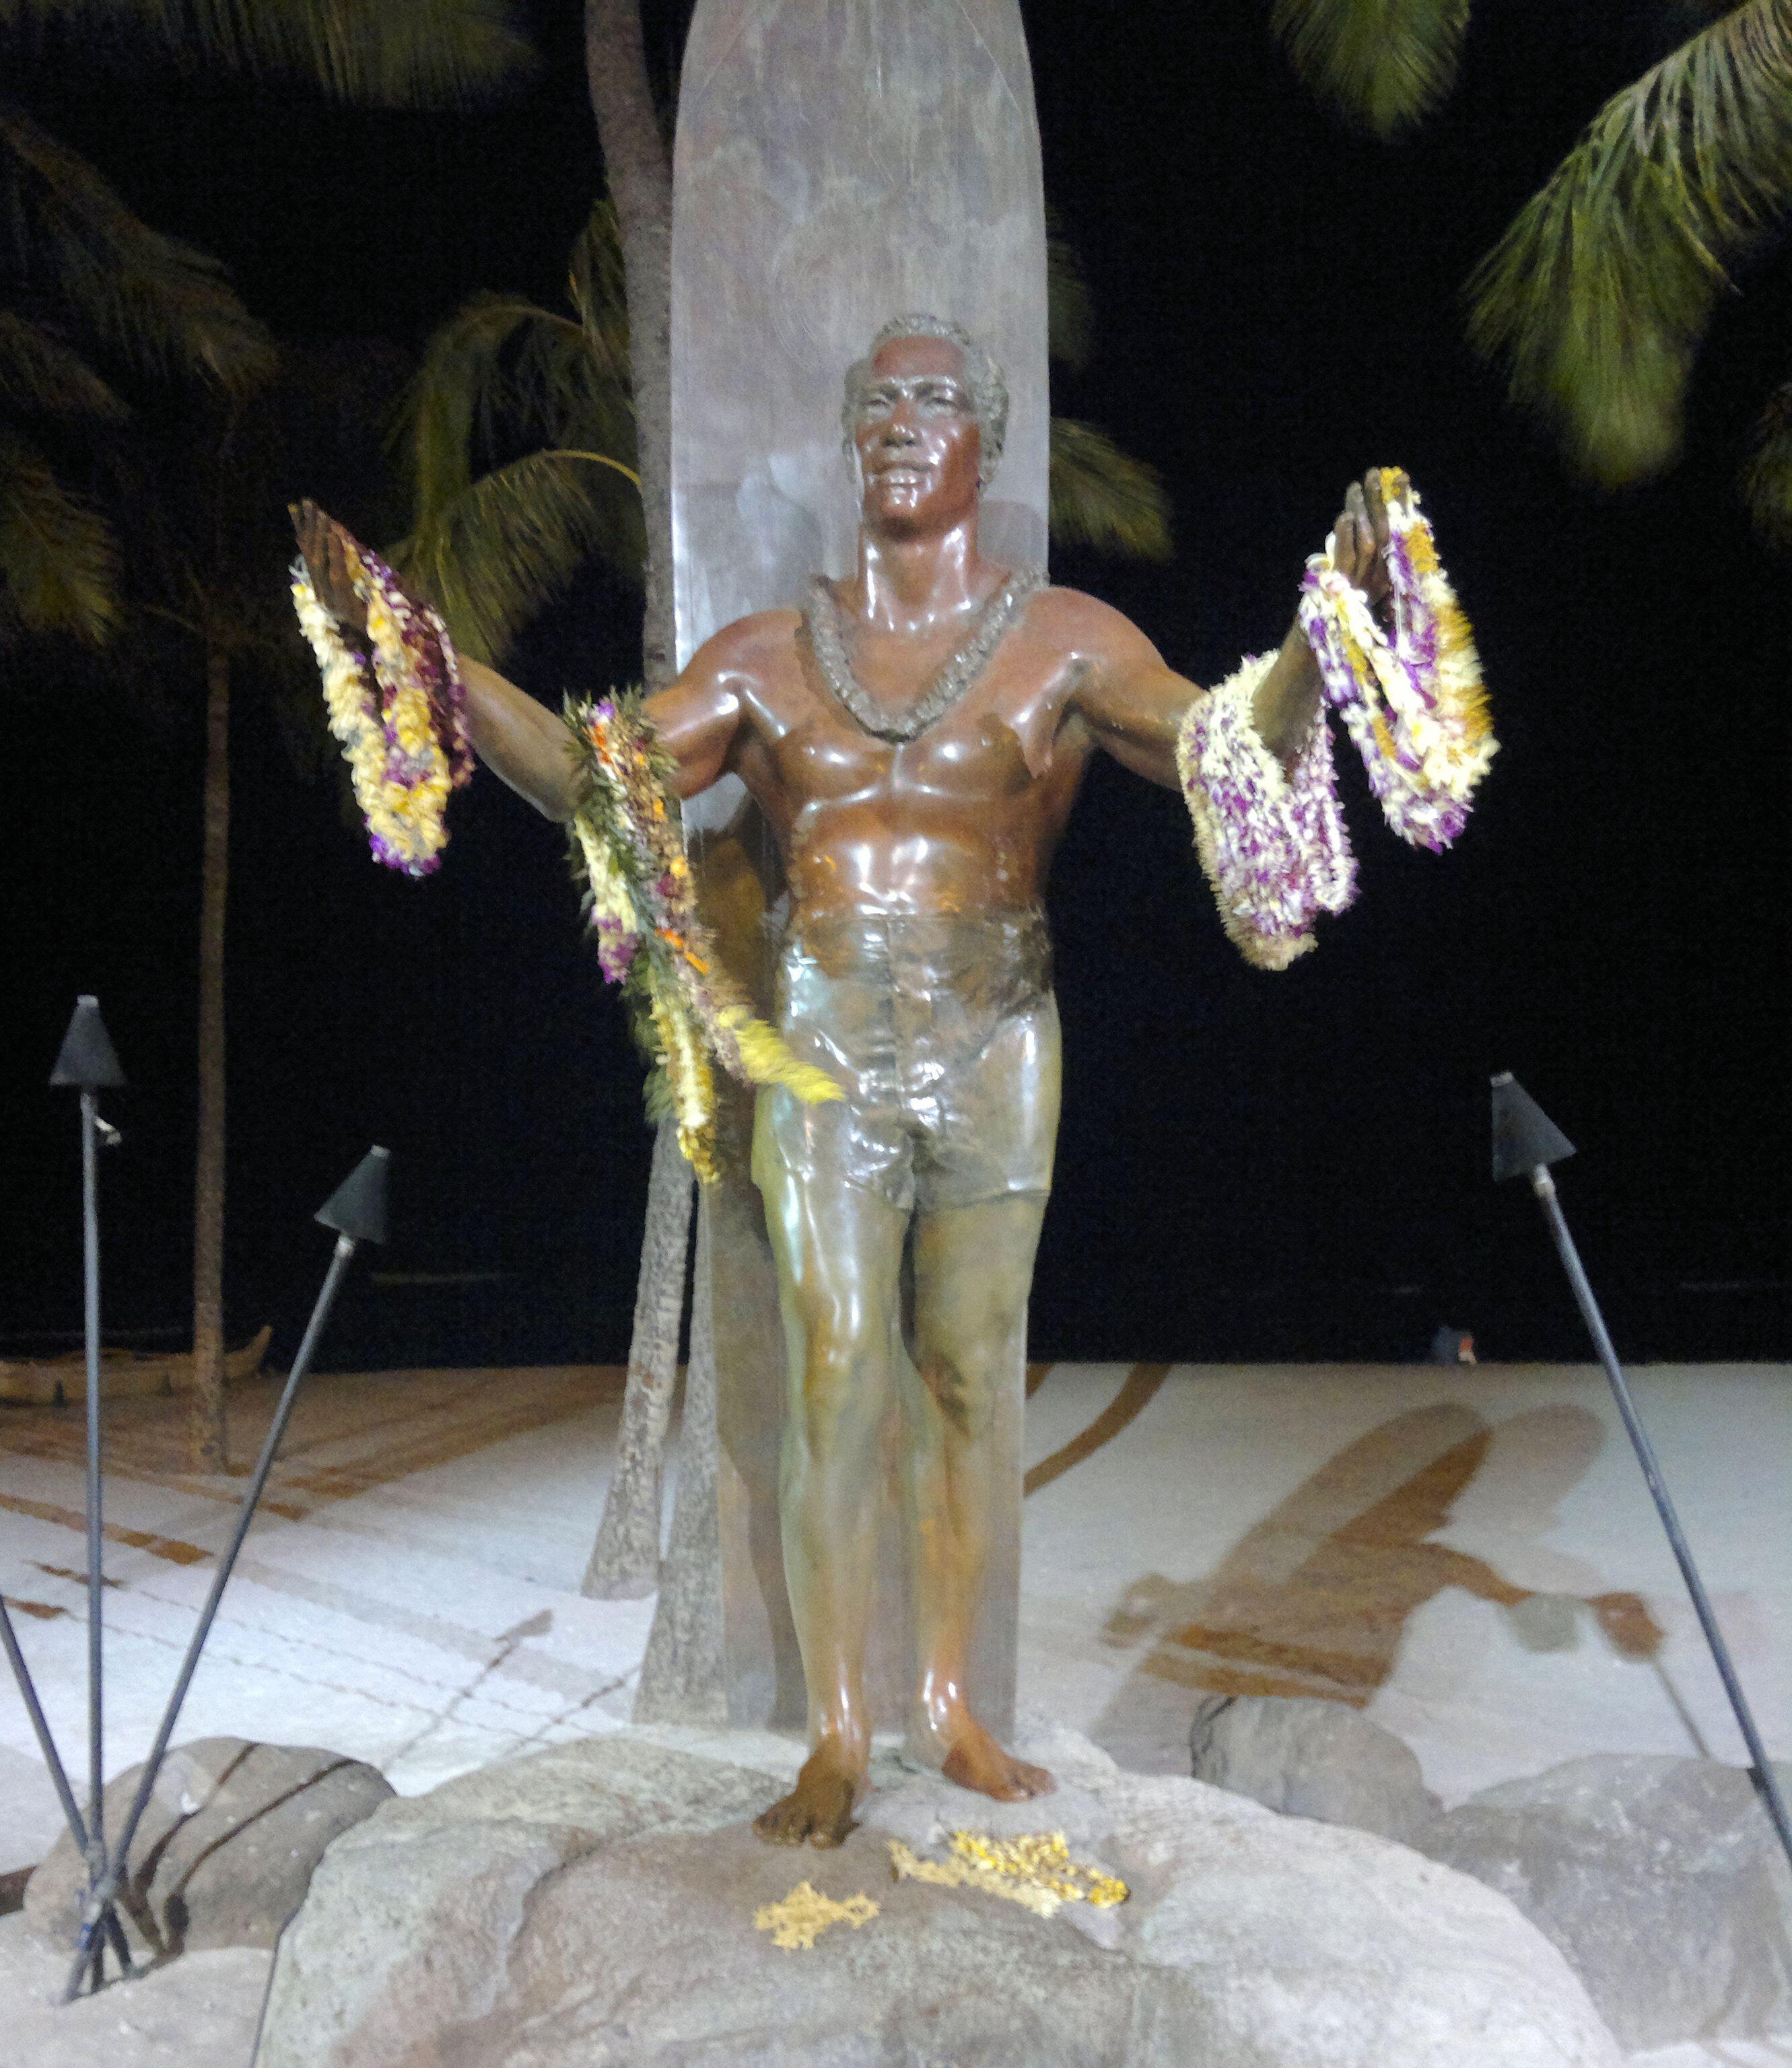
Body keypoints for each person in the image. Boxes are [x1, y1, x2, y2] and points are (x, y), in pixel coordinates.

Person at [293, 313, 1409, 1848]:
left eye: (933, 398)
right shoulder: (762, 658)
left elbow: (1222, 745)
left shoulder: (1068, 639)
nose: (900, 420)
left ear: (985, 439)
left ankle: (948, 1708)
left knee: (963, 1378)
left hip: (998, 1030)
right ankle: (831, 1733)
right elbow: (591, 786)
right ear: (848, 437)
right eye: (875, 401)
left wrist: (1321, 634)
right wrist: (429, 656)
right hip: (819, 1046)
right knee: (832, 1374)